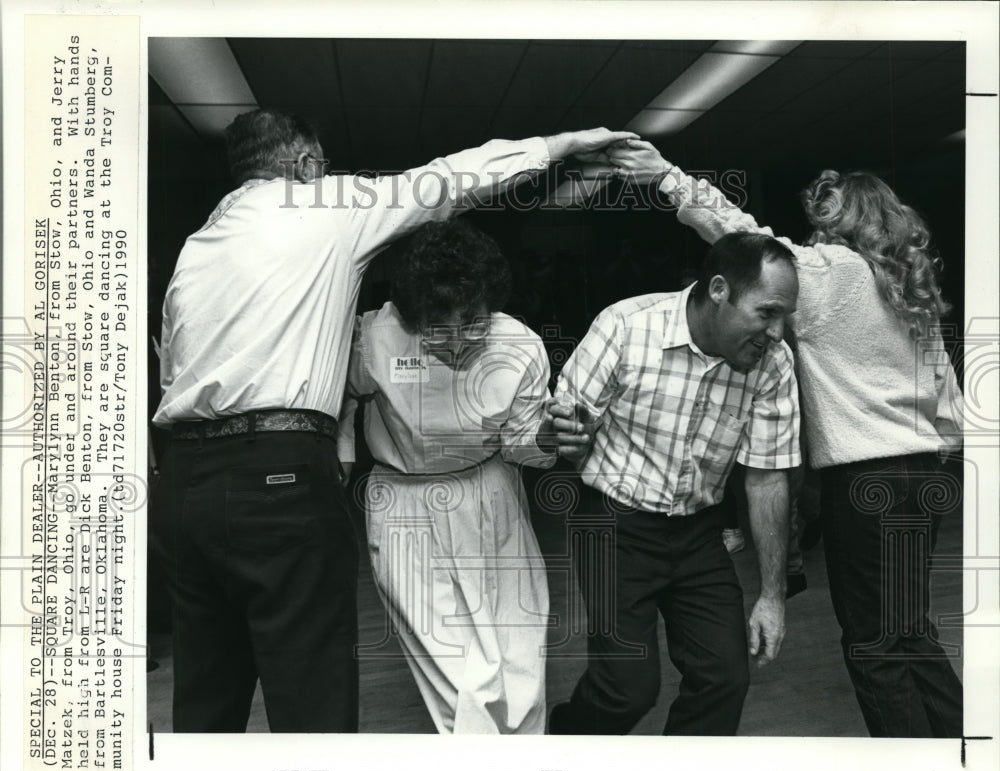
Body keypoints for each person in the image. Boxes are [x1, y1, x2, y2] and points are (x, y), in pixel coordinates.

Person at [150, 107, 634, 733]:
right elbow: (446, 180)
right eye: (324, 168)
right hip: (288, 482)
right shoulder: (319, 213)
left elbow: (171, 372)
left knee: (207, 698)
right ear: (305, 166)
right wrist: (557, 144)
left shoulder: (197, 249)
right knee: (313, 697)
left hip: (185, 487)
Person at [611, 141, 964, 738]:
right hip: (925, 475)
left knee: (875, 646)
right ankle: (969, 764)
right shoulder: (909, 287)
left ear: (840, 221)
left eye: (821, 223)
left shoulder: (835, 274)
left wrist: (668, 179)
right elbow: (947, 397)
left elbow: (746, 240)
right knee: (910, 632)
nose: (813, 236)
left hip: (867, 481)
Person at [548, 231, 801, 736]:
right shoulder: (626, 326)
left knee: (724, 678)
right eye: (767, 312)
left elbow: (768, 477)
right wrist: (563, 434)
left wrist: (773, 594)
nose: (777, 332)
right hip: (615, 525)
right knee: (627, 688)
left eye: (784, 317)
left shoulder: (772, 366)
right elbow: (558, 428)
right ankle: (566, 744)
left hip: (698, 533)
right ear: (720, 290)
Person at [339, 219, 588, 734]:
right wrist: (339, 453)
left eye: (472, 321)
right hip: (402, 501)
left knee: (517, 650)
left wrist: (549, 437)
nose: (458, 341)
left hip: (489, 489)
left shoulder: (518, 346)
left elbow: (522, 442)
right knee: (459, 670)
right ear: (411, 316)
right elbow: (338, 399)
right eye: (438, 328)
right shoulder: (373, 338)